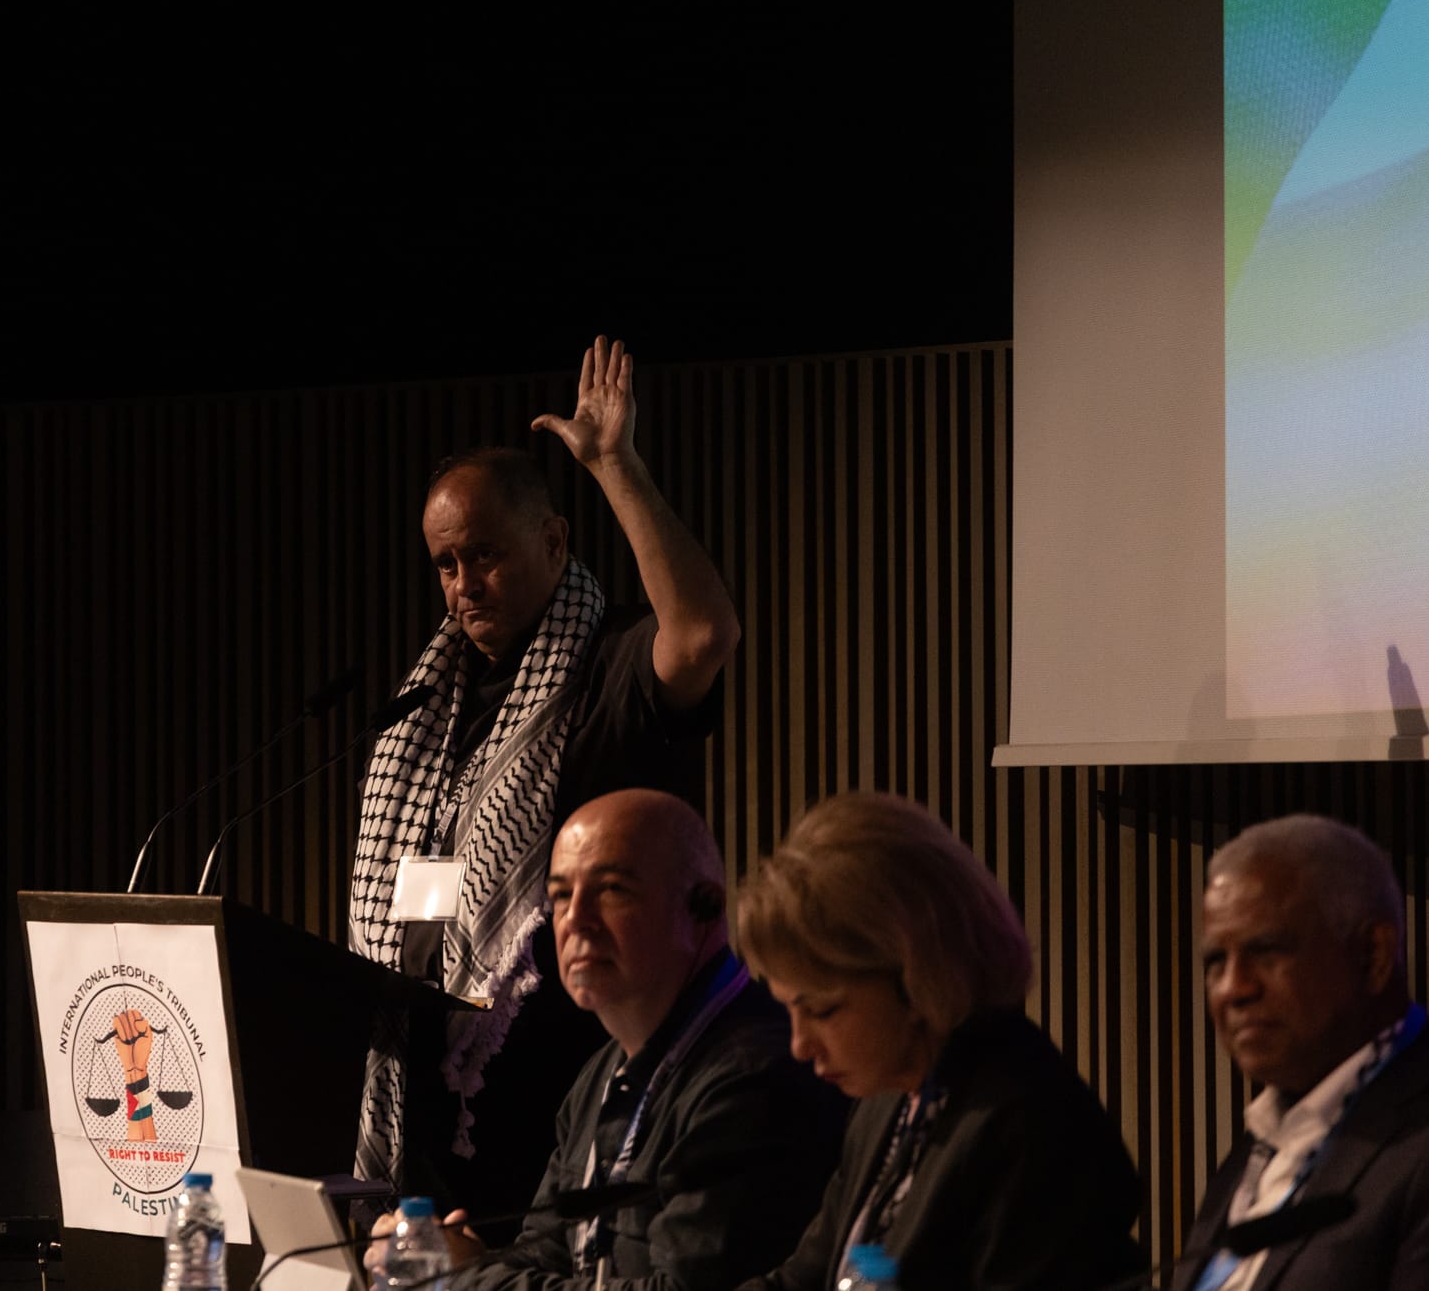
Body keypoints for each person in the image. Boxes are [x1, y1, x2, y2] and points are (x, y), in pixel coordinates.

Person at [348, 336, 742, 1215]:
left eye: (483, 554)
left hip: (558, 1126)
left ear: (555, 540)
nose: (463, 586)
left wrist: (615, 465)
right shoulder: (424, 709)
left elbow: (707, 633)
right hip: (421, 1125)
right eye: (445, 565)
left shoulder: (609, 668)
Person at [367, 790, 846, 1288]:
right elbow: (546, 1254)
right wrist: (455, 1264)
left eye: (612, 889)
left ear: (703, 907)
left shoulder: (757, 1076)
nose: (575, 918)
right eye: (559, 895)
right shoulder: (602, 1070)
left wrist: (468, 1276)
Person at [733, 791, 1143, 1290]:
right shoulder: (889, 1101)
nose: (799, 1045)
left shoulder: (1036, 1132)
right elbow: (810, 1279)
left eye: (822, 1009)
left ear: (918, 975)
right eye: (789, 1010)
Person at [1171, 813, 1429, 1290]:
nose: (1234, 987)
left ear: (1373, 956)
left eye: (1268, 951)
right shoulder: (1263, 1140)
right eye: (1216, 961)